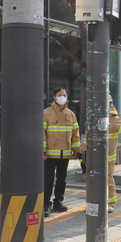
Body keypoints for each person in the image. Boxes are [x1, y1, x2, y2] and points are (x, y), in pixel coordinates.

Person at [44, 88, 81, 217]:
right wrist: (43, 150)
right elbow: (42, 134)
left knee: (61, 180)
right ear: (54, 97)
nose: (62, 97)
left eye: (64, 95)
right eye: (60, 95)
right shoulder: (46, 113)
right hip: (49, 154)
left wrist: (77, 151)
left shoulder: (71, 114)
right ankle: (45, 204)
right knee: (47, 180)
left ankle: (58, 202)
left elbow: (75, 135)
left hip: (65, 154)